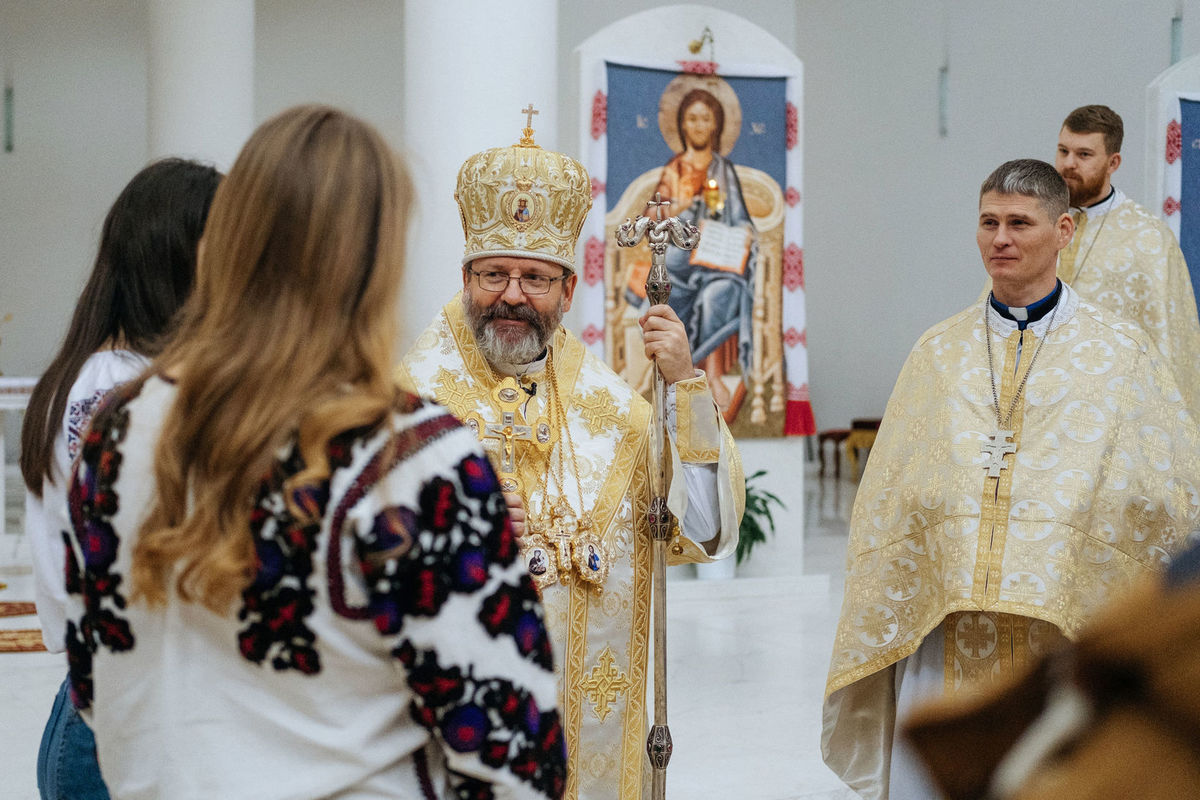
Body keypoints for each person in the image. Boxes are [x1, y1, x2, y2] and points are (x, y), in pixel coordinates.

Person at [61, 105, 566, 800]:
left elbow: (92, 681)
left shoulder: (115, 431)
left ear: (226, 244)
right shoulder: (414, 462)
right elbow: (515, 759)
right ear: (374, 267)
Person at [821, 159, 1200, 800]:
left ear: (1064, 232)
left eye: (1020, 223)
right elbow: (888, 496)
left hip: (1063, 642)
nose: (1001, 238)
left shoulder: (1121, 354)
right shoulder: (937, 353)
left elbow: (1165, 496)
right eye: (989, 222)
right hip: (947, 628)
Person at [399, 113, 743, 800]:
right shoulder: (409, 407)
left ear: (567, 292)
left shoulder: (613, 411)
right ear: (466, 278)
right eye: (494, 274)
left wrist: (683, 386)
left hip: (590, 735)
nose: (512, 297)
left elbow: (703, 529)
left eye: (535, 278)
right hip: (461, 730)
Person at [19, 157, 221, 800]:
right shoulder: (115, 388)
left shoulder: (112, 373)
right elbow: (142, 562)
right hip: (120, 717)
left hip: (117, 706)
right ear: (179, 260)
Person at [1056, 105, 1200, 411]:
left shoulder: (1148, 238)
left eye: (1083, 155)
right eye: (1063, 151)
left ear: (1113, 162)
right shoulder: (1034, 223)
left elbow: (1168, 343)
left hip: (1113, 405)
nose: (1068, 164)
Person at [629, 86, 758, 419]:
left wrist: (740, 233)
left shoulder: (722, 170)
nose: (699, 126)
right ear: (682, 126)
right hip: (681, 261)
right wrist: (683, 210)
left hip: (719, 263)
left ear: (715, 126)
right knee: (664, 293)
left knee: (718, 296)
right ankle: (668, 378)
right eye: (692, 119)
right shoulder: (675, 169)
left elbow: (741, 219)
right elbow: (653, 215)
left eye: (706, 119)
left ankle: (708, 377)